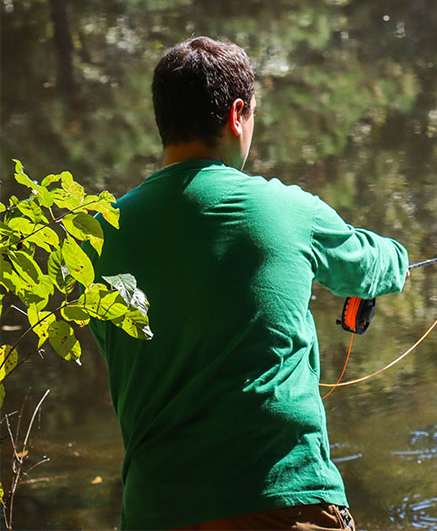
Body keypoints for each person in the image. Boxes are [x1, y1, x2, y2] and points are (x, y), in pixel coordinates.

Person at [90, 36, 409, 530]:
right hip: (285, 497)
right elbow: (374, 265)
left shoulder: (101, 234)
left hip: (158, 510)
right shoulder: (286, 209)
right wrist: (398, 259)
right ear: (237, 114)